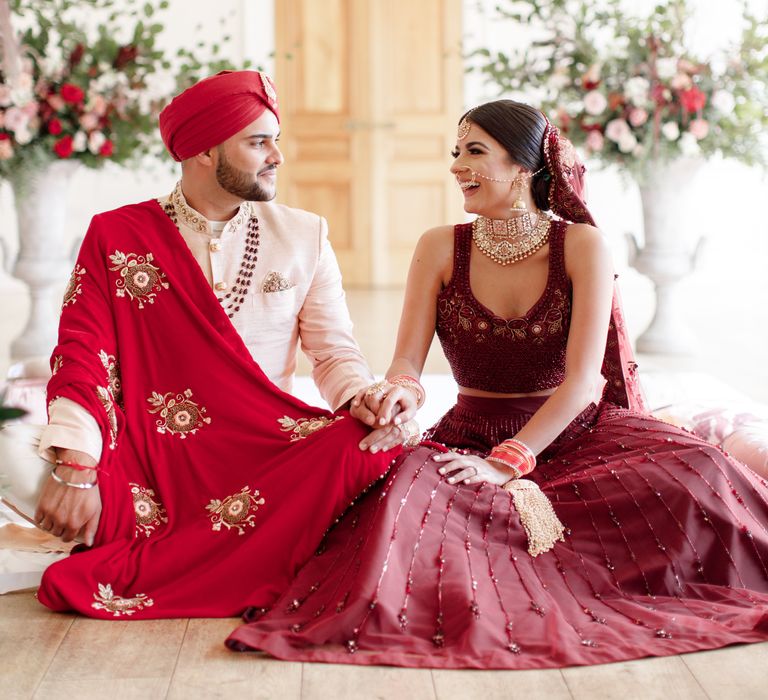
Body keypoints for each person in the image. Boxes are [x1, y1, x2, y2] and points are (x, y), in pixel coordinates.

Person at [226, 100, 768, 668]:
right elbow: (407, 362)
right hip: (467, 437)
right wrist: (400, 396)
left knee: (702, 471)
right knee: (404, 507)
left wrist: (509, 462)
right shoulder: (441, 246)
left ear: (526, 166)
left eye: (474, 152)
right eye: (455, 153)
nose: (457, 166)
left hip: (574, 432)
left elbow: (584, 382)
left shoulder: (582, 246)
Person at [2, 71, 414, 617]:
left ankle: (128, 541)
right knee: (5, 446)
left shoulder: (304, 234)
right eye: (258, 142)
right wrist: (77, 464)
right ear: (201, 151)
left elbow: (334, 353)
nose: (277, 157)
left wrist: (364, 398)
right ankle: (241, 545)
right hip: (148, 461)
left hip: (268, 455)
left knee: (381, 444)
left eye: (275, 139)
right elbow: (83, 355)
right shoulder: (118, 235)